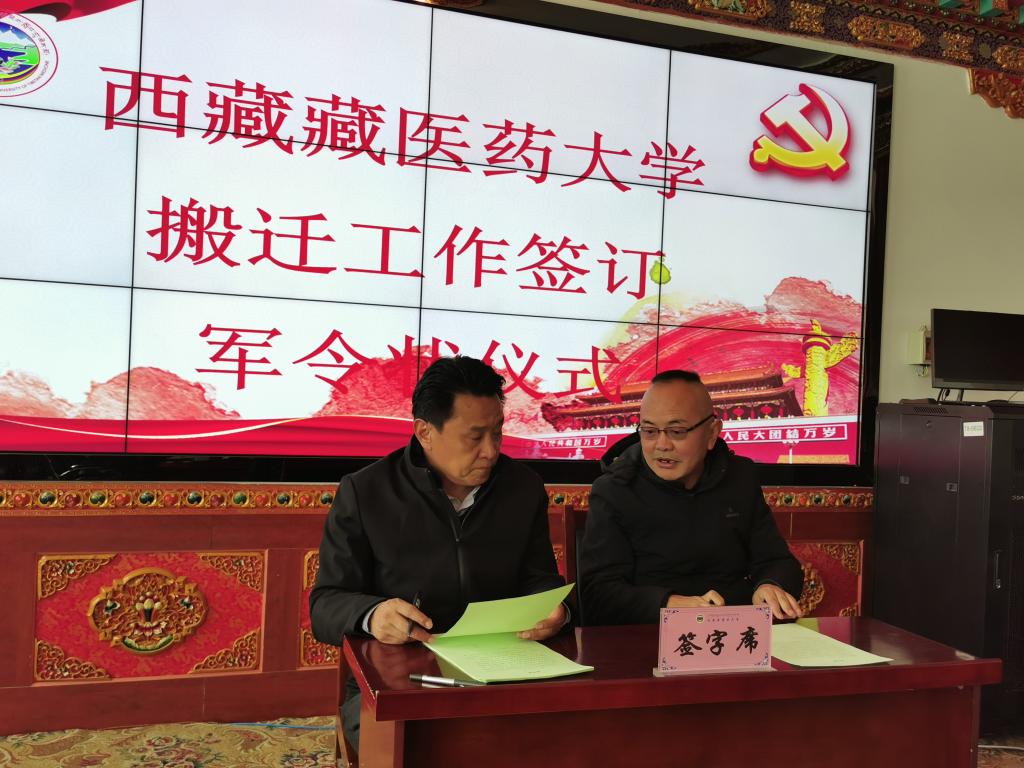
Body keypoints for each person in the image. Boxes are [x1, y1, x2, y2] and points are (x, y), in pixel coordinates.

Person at [310, 355, 566, 750]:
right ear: (425, 432)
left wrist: (555, 609)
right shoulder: (366, 492)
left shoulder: (523, 487)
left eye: (497, 433)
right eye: (474, 437)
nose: (491, 451)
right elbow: (325, 605)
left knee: (561, 738)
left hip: (503, 672)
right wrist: (373, 614)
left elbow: (540, 579)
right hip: (399, 682)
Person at [580, 369, 803, 626]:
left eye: (677, 431)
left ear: (712, 433)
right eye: (649, 431)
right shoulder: (615, 489)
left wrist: (771, 585)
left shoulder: (740, 478)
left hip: (732, 629)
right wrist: (667, 604)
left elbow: (776, 561)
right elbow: (598, 594)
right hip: (648, 633)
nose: (662, 445)